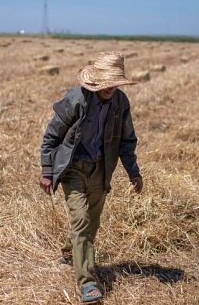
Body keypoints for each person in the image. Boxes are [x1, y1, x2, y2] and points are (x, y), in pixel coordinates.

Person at [39, 51, 143, 304]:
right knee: (82, 220)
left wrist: (133, 171)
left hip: (101, 169)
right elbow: (52, 135)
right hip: (73, 168)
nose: (109, 89)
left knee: (90, 224)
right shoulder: (77, 99)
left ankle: (70, 251)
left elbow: (127, 141)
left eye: (113, 84)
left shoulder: (121, 103)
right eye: (105, 84)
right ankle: (88, 283)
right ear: (95, 81)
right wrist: (47, 170)